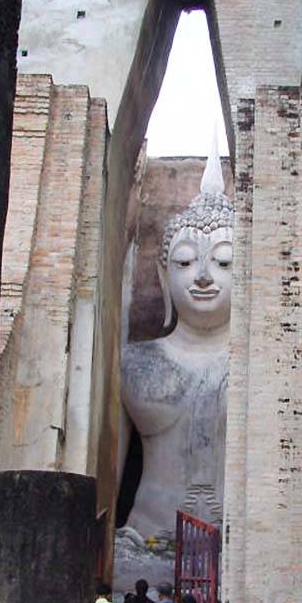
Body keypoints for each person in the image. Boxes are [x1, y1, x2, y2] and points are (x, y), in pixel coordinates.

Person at [120, 143, 235, 544]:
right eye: (185, 262)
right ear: (162, 272)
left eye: (224, 262)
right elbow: (110, 474)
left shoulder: (263, 370)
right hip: (144, 538)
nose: (202, 276)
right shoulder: (133, 363)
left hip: (239, 549)